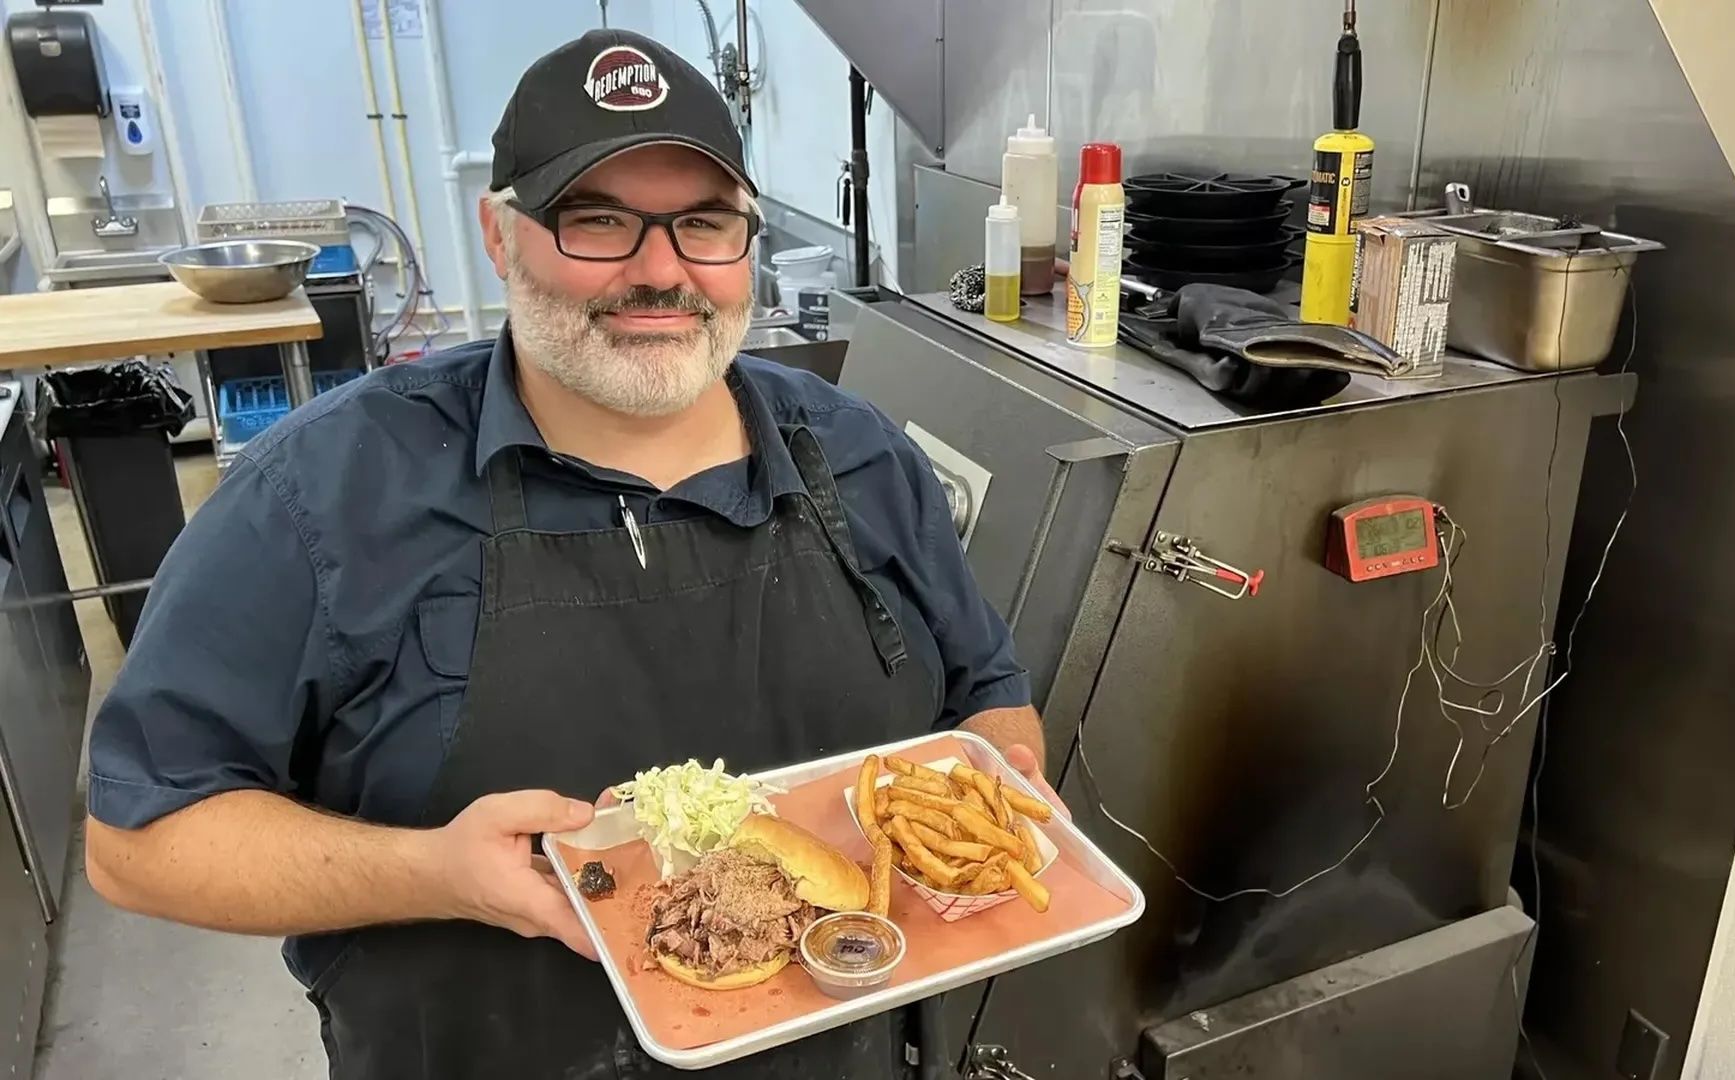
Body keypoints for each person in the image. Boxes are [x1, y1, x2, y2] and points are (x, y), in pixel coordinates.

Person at [83, 29, 1049, 1079]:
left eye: (704, 224)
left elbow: (988, 700)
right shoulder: (319, 497)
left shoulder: (858, 455)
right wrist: (431, 873)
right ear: (501, 239)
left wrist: (1011, 815)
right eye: (599, 221)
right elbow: (141, 839)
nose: (660, 272)